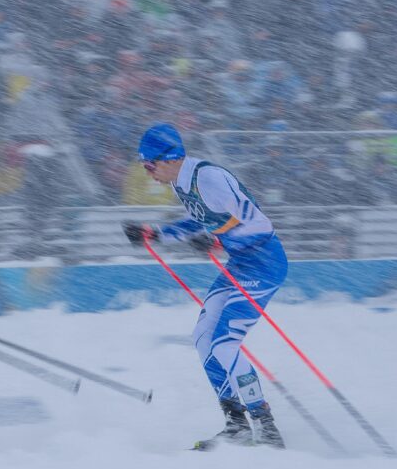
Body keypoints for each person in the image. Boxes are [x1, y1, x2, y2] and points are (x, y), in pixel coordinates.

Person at [121, 124, 287, 451]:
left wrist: (216, 240)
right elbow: (202, 221)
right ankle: (236, 424)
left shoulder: (207, 178)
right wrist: (155, 234)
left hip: (264, 262)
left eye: (149, 165)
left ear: (168, 159)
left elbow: (255, 223)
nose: (148, 172)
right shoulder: (183, 183)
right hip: (241, 263)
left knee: (225, 343)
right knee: (203, 340)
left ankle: (266, 429)